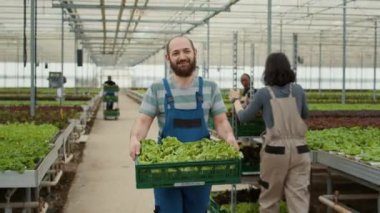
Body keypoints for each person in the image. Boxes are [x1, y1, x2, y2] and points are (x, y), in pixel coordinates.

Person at [129, 35, 239, 213]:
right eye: (176, 53)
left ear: (195, 53)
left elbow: (221, 121)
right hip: (165, 171)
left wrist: (229, 136)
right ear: (168, 58)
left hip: (201, 170)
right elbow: (143, 120)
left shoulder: (210, 88)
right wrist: (135, 138)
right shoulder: (157, 89)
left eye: (186, 51)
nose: (182, 56)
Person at [229, 52, 310, 213]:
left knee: (270, 199)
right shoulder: (298, 90)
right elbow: (305, 114)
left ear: (268, 71)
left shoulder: (265, 93)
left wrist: (235, 100)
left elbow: (244, 117)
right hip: (300, 150)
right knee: (298, 198)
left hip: (275, 151)